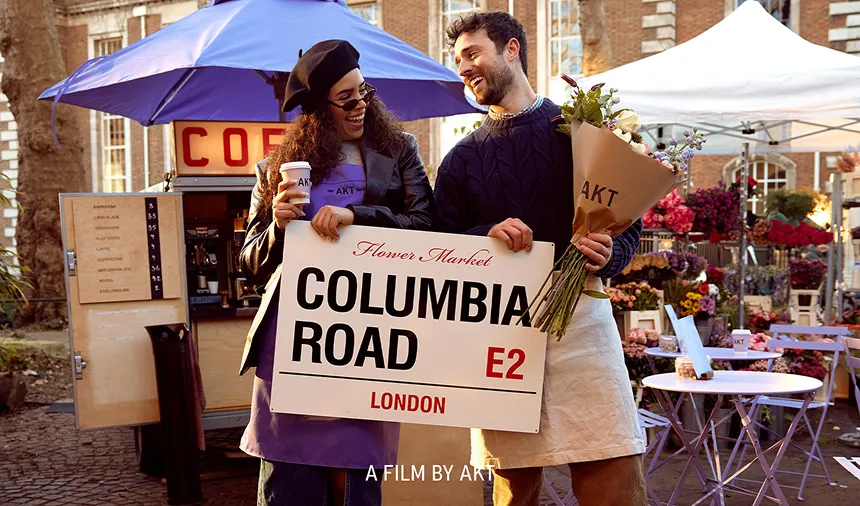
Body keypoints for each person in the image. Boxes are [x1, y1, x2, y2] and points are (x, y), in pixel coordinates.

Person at [434, 12, 647, 506]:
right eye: (458, 59)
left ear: (511, 50)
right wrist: (482, 234)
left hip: (584, 325)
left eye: (472, 54)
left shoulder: (581, 134)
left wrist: (610, 252)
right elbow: (439, 242)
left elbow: (628, 221)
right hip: (499, 333)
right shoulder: (460, 159)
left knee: (612, 473)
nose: (464, 67)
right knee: (514, 489)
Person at [237, 39, 435, 505]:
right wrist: (279, 227)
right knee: (290, 483)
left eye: (364, 91)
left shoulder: (398, 149)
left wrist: (359, 216)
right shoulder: (275, 169)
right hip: (293, 343)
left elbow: (428, 226)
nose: (361, 105)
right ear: (318, 108)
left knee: (358, 487)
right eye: (347, 98)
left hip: (364, 338)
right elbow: (248, 263)